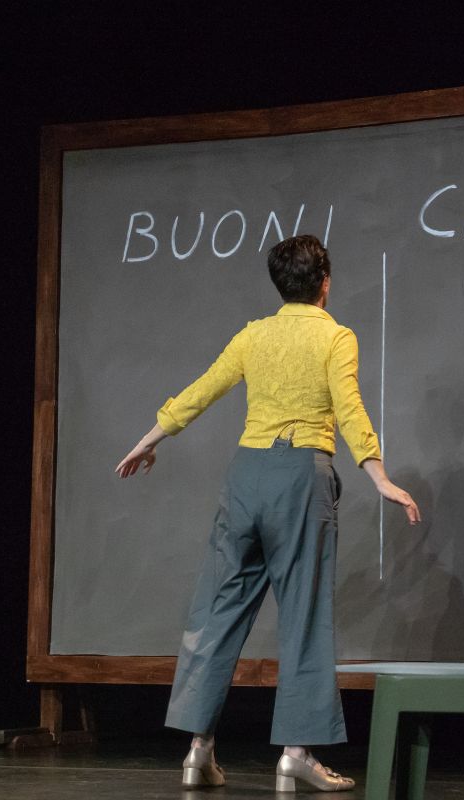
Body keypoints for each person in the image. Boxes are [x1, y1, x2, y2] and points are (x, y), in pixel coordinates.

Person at [115, 234, 420, 792]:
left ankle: (197, 751)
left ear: (280, 285)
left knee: (218, 610)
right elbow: (349, 407)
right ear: (324, 283)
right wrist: (377, 475)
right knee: (303, 615)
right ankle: (295, 755)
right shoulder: (335, 336)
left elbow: (203, 389)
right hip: (300, 478)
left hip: (246, 477)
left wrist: (149, 438)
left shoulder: (254, 334)